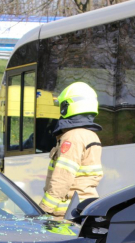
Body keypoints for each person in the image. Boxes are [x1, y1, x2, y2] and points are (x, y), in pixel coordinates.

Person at [39, 82, 103, 219]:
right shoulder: (90, 135)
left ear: (66, 107)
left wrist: (43, 211)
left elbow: (62, 178)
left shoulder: (72, 137)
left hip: (67, 213)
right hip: (82, 207)